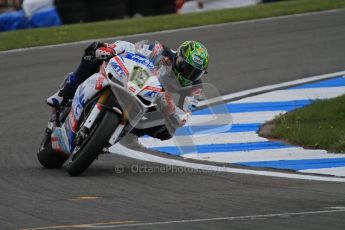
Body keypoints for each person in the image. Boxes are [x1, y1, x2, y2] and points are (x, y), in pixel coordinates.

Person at [46, 40, 209, 140]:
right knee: (94, 49)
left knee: (167, 132)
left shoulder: (195, 89)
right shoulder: (160, 51)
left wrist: (171, 109)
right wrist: (112, 49)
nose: (189, 74)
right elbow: (130, 47)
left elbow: (182, 118)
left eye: (195, 72)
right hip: (133, 78)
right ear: (178, 57)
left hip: (151, 106)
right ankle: (62, 94)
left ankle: (108, 133)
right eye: (186, 67)